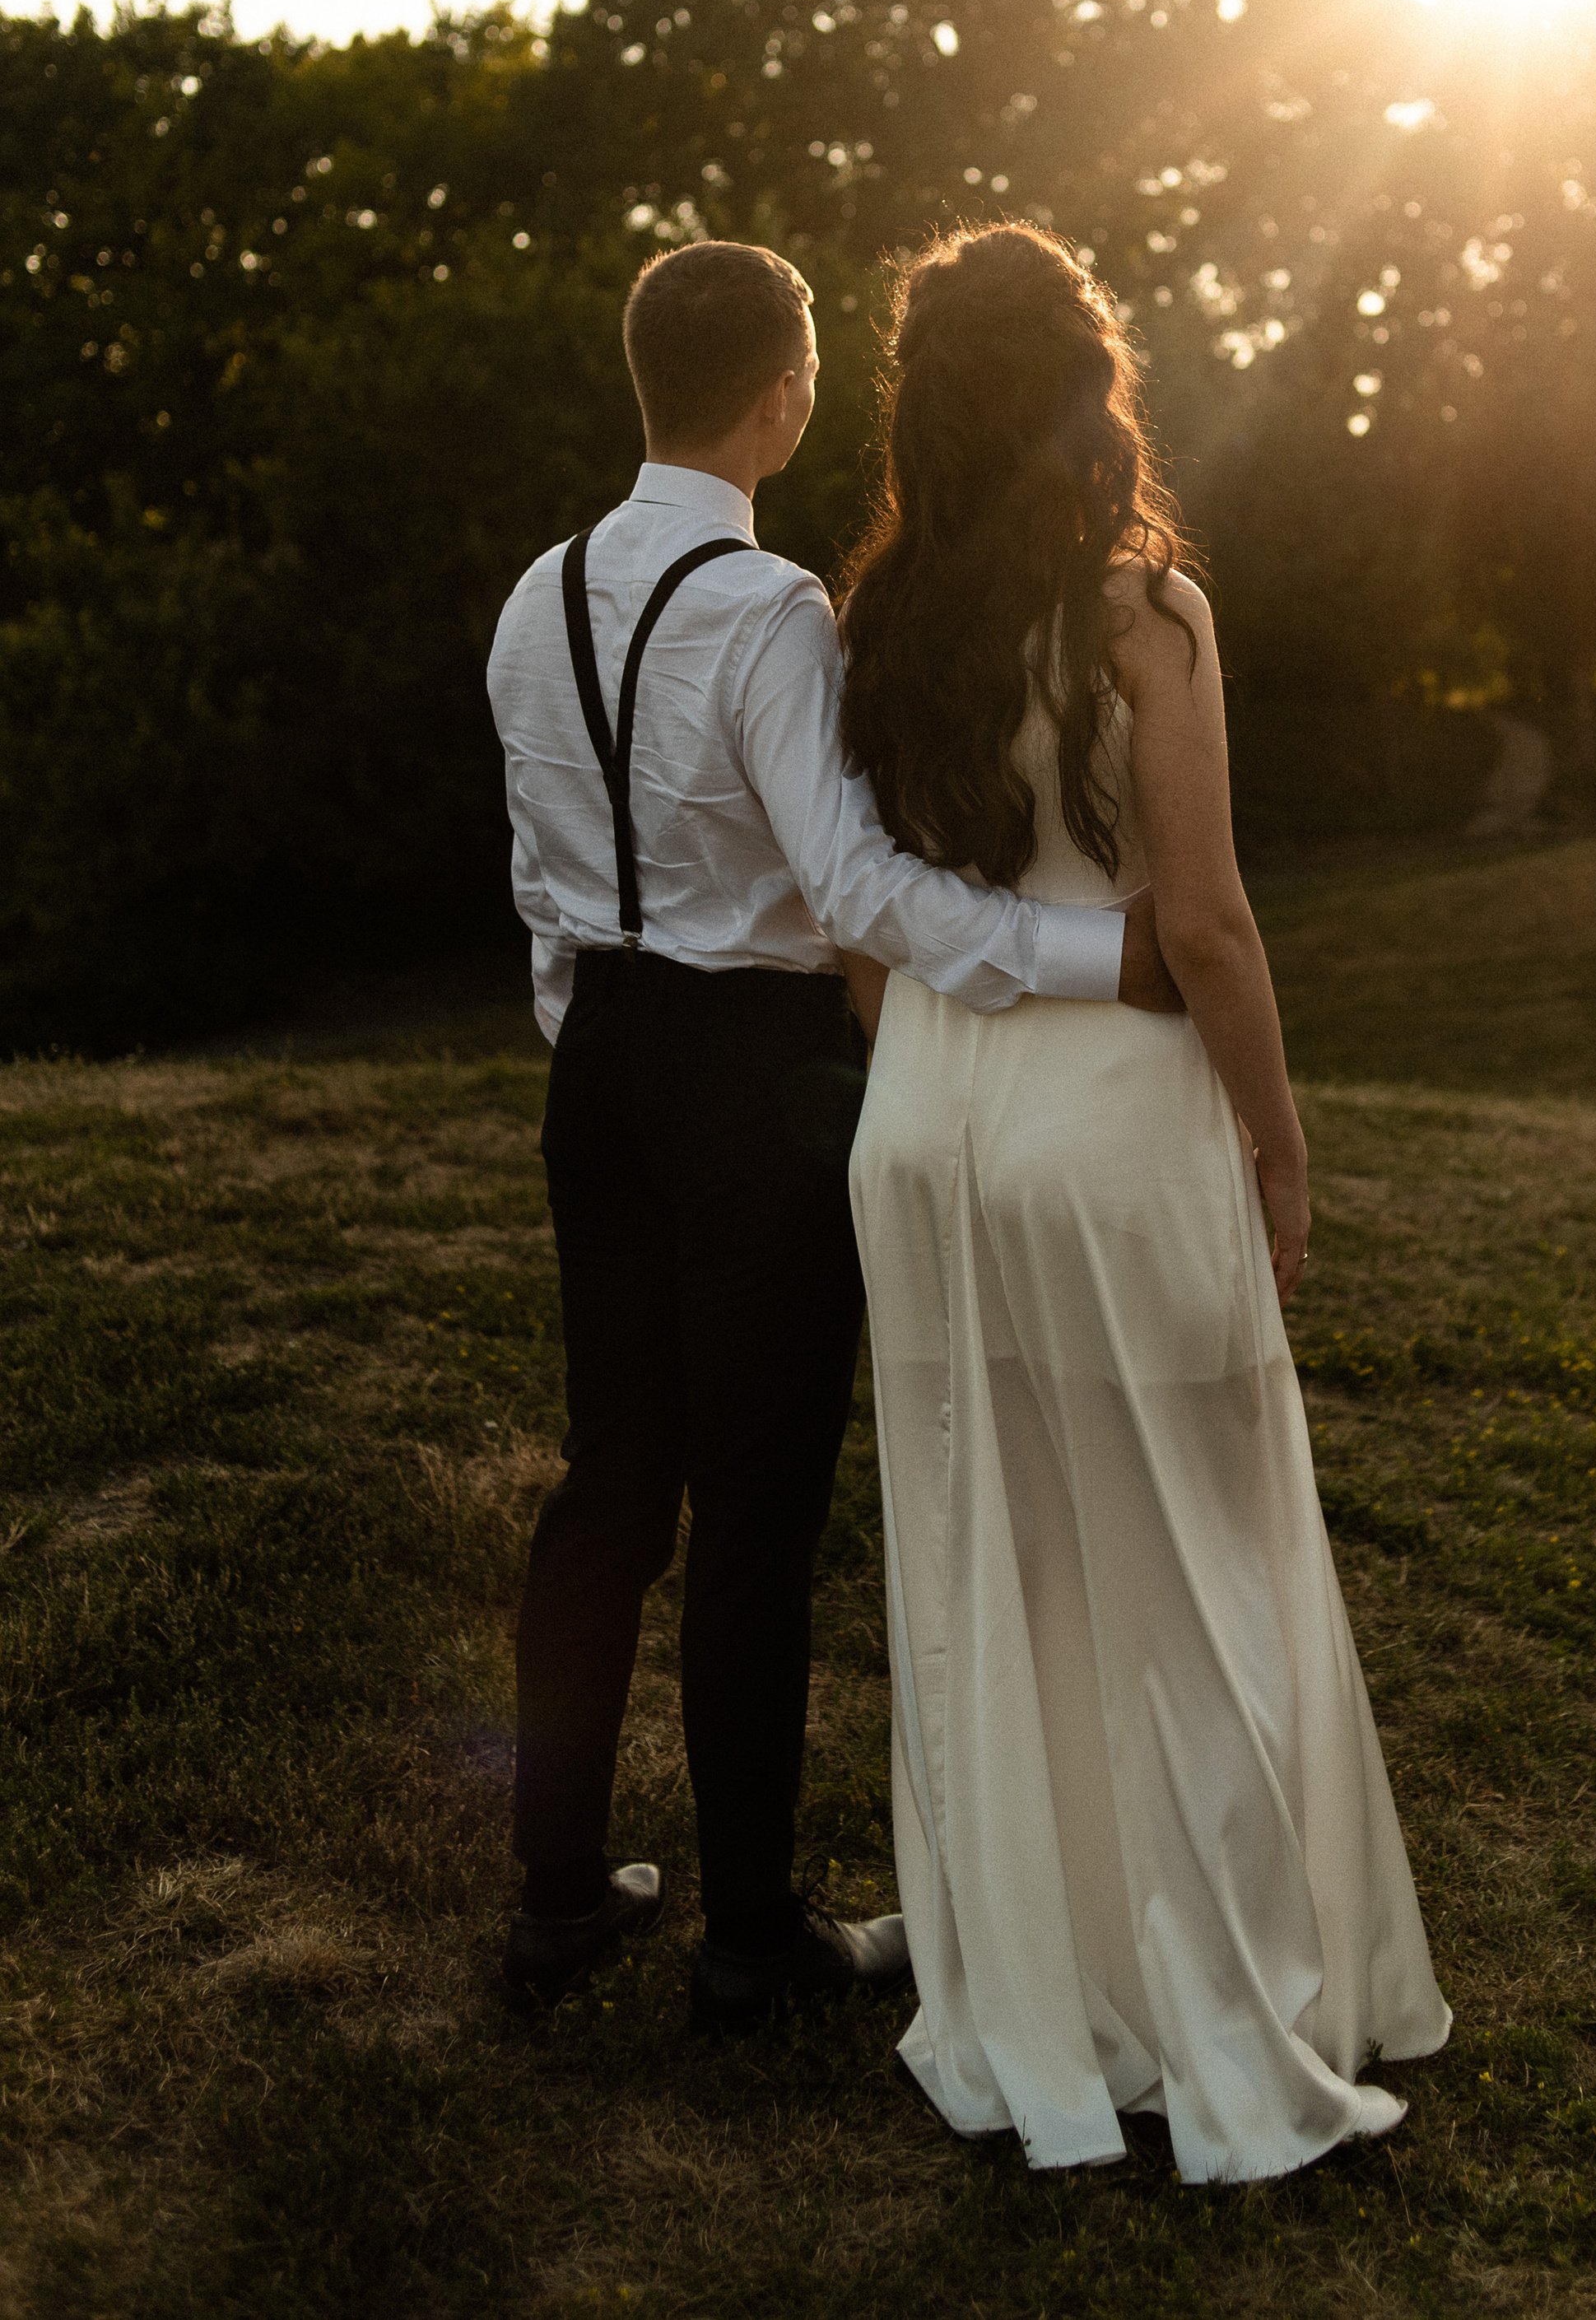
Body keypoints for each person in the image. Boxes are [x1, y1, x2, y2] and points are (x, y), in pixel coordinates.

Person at [484, 236, 1180, 2030]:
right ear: (787, 395)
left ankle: (556, 1894)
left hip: (604, 1071)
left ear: (644, 381)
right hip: (749, 1079)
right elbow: (856, 883)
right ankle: (745, 1940)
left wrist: (599, 1046)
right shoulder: (768, 610)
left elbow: (542, 887)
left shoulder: (529, 597)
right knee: (757, 1508)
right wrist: (1102, 954)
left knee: (611, 1481)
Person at [840, 223, 1450, 2183]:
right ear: (1082, 386)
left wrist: (942, 1050)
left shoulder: (873, 622)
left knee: (1003, 1575)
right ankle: (1216, 2013)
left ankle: (1044, 1993)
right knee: (1191, 1574)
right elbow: (1200, 922)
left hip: (923, 1126)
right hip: (1105, 1135)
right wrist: (1275, 1139)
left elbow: (859, 940)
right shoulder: (1139, 614)